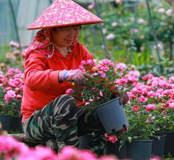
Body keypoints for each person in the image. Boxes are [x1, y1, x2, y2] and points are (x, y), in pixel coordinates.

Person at [20, 0, 128, 155]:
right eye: (67, 29)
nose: (73, 34)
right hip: (37, 122)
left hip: (71, 119)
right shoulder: (39, 52)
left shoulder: (79, 50)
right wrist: (65, 74)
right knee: (65, 100)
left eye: (76, 29)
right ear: (52, 31)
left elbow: (95, 77)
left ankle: (92, 155)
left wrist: (117, 89)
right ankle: (70, 156)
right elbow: (31, 79)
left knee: (109, 103)